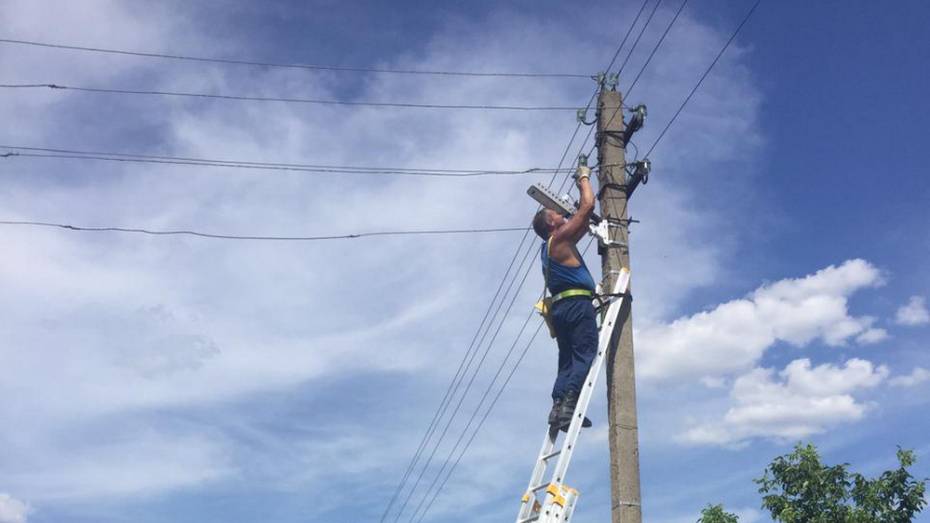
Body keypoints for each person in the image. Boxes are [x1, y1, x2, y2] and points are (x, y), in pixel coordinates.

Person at [531, 167, 597, 431]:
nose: (561, 213)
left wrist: (577, 220)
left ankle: (557, 408)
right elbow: (588, 206)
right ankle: (570, 409)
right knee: (585, 354)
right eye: (557, 213)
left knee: (567, 361)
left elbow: (580, 225)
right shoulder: (559, 238)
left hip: (561, 309)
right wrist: (583, 178)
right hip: (577, 305)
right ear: (551, 224)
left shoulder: (549, 247)